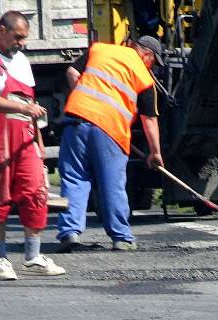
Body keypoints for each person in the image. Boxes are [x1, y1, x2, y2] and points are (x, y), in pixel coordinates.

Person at [0, 11, 65, 280]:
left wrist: (39, 142)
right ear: (1, 30)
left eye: (24, 38)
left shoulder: (21, 60)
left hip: (25, 136)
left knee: (35, 193)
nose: (21, 43)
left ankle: (33, 256)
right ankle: (2, 261)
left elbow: (30, 104)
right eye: (18, 37)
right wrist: (24, 107)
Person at [57, 35, 165, 252]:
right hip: (109, 129)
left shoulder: (99, 50)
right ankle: (121, 237)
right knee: (111, 184)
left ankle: (69, 233)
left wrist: (85, 99)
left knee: (74, 179)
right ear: (147, 54)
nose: (152, 66)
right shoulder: (144, 76)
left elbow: (72, 71)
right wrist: (155, 153)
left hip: (76, 122)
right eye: (154, 61)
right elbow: (149, 119)